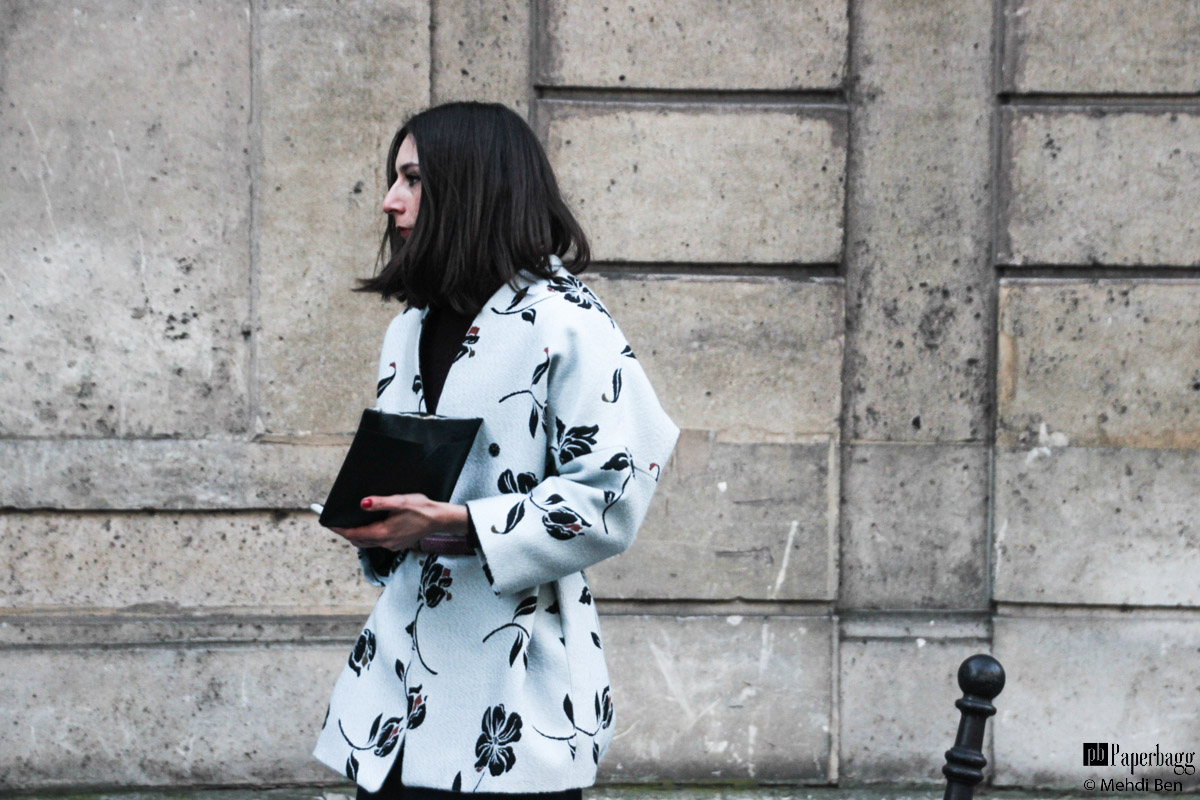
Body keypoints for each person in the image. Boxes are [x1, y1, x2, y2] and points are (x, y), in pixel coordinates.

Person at [310, 101, 680, 799]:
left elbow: (615, 489)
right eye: (396, 179)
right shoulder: (410, 328)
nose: (391, 201)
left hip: (513, 692)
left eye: (413, 179)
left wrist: (456, 524)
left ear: (472, 186)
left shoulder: (568, 324)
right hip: (396, 693)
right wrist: (378, 524)